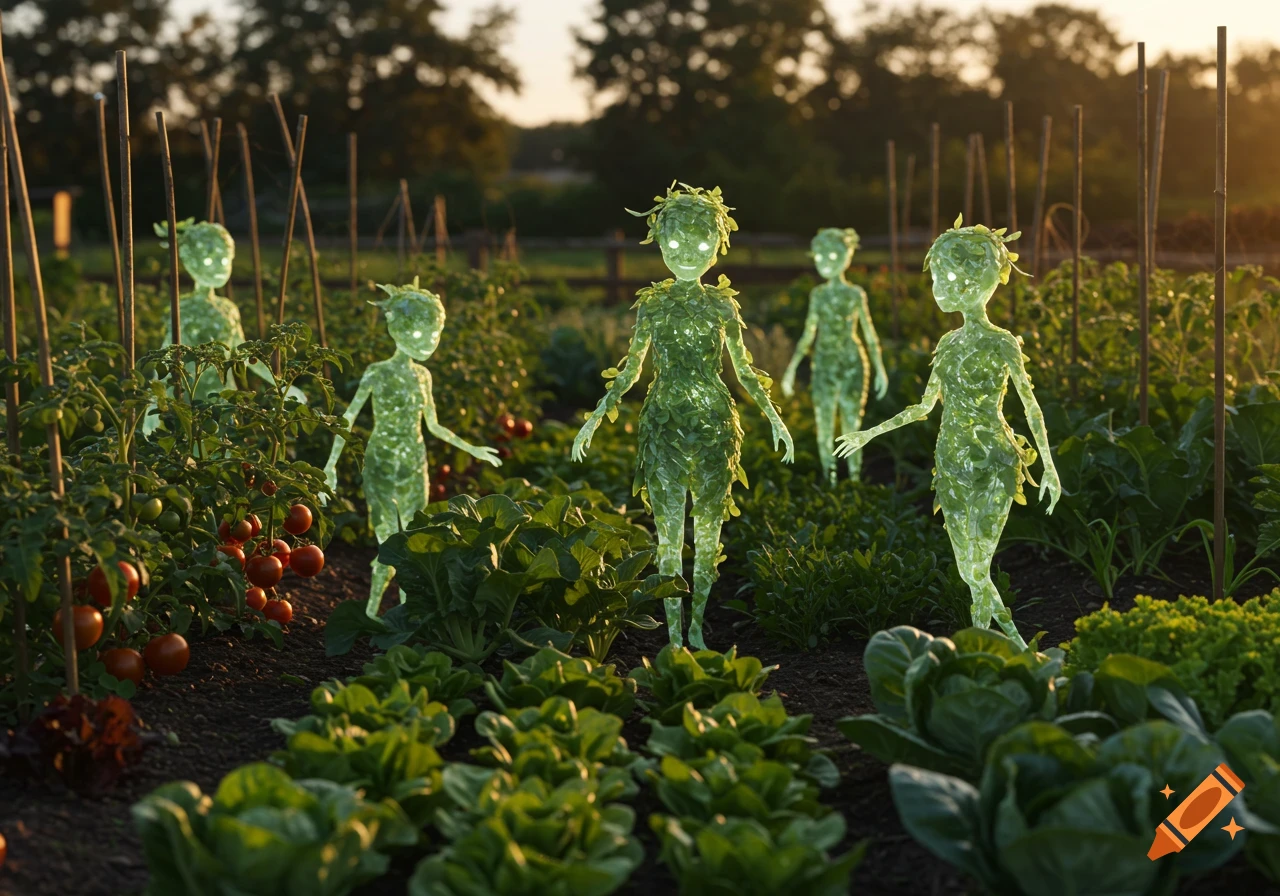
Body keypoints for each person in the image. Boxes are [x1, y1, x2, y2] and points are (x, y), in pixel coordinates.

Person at [572, 183, 794, 649]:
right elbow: (631, 369)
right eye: (674, 244)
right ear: (659, 244)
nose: (687, 253)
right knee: (668, 535)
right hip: (662, 428)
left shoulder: (721, 304)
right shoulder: (653, 304)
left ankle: (697, 626)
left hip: (715, 425)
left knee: (709, 534)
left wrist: (775, 416)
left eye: (700, 243)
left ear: (717, 245)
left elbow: (744, 369)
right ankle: (674, 635)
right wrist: (595, 417)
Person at [837, 216, 1061, 647]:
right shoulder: (948, 344)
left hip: (996, 459)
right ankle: (996, 650)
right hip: (951, 460)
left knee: (978, 569)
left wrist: (1048, 467)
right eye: (941, 276)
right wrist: (869, 434)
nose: (944, 285)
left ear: (983, 279)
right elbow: (924, 408)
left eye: (954, 275)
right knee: (968, 569)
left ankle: (1009, 647)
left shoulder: (1002, 342)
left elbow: (1030, 406)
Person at [323, 278, 501, 615]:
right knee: (388, 543)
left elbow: (433, 426)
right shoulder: (377, 373)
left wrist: (472, 449)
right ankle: (372, 615)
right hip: (382, 462)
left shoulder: (423, 377)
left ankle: (406, 615)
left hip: (414, 463)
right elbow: (347, 418)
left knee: (414, 540)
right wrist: (330, 465)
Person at [143, 219, 301, 436]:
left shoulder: (228, 309)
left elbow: (245, 355)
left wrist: (283, 387)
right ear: (189, 261)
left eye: (225, 259)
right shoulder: (183, 309)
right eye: (210, 260)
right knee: (191, 450)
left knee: (224, 453)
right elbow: (166, 357)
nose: (219, 266)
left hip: (224, 402)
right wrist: (153, 404)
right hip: (188, 402)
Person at [781, 227, 888, 483]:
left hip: (852, 362)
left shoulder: (855, 294)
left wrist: (879, 367)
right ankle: (829, 483)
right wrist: (791, 368)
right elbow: (809, 333)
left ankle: (853, 482)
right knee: (824, 425)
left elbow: (869, 334)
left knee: (852, 424)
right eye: (820, 258)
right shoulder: (818, 295)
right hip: (825, 363)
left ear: (846, 257)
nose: (825, 264)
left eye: (831, 257)